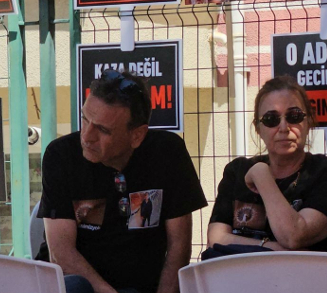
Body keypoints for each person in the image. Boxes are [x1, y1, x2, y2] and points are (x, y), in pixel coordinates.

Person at [39, 70, 207, 293]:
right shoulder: (61, 155)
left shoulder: (167, 152)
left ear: (137, 136)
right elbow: (60, 254)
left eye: (102, 129)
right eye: (85, 119)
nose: (87, 137)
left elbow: (179, 246)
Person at [207, 75, 327, 253]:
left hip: (309, 271)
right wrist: (272, 248)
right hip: (244, 271)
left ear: (309, 121)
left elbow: (293, 235)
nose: (284, 127)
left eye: (294, 116)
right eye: (271, 119)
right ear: (258, 128)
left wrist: (261, 176)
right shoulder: (237, 171)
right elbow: (216, 238)